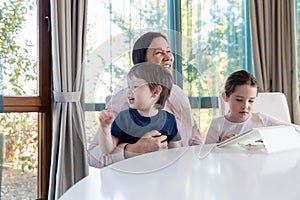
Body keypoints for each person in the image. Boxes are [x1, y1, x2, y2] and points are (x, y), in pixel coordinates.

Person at [88, 32, 203, 168]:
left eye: (168, 51)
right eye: (159, 53)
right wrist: (132, 151)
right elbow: (93, 156)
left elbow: (193, 137)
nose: (168, 57)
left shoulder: (178, 93)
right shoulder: (125, 101)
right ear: (142, 64)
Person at [99, 63, 181, 156]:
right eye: (128, 86)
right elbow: (107, 149)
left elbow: (176, 152)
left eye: (135, 86)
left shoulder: (169, 120)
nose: (129, 91)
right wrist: (105, 128)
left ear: (155, 92)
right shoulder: (124, 118)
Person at [205, 70, 295, 144]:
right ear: (226, 97)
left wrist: (267, 138)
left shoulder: (262, 119)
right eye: (239, 100)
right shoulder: (217, 124)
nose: (245, 106)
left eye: (251, 101)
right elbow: (206, 155)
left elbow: (295, 130)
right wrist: (221, 146)